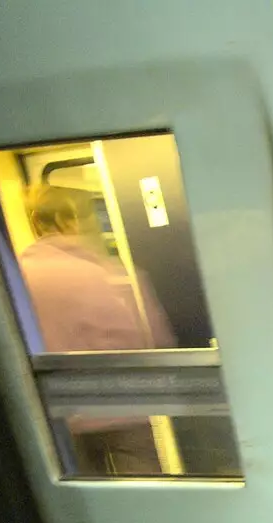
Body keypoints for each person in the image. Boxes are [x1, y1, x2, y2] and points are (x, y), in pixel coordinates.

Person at [16, 184, 177, 475]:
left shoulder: (16, 277)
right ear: (71, 220)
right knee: (145, 488)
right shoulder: (109, 274)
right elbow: (153, 339)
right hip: (121, 407)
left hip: (57, 411)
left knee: (82, 491)